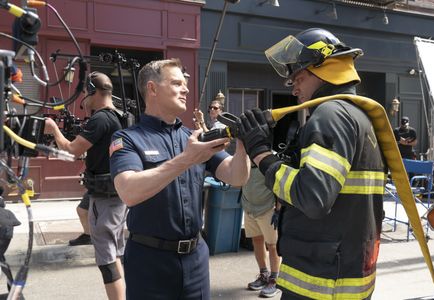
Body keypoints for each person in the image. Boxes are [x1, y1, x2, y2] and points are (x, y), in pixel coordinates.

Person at [236, 28, 387, 299]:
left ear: (324, 69)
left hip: (324, 280)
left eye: (299, 77)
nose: (294, 87)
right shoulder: (356, 115)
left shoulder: (330, 115)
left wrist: (259, 153)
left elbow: (312, 198)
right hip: (341, 270)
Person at [109, 58, 250, 299]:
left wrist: (245, 143)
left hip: (195, 258)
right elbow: (128, 192)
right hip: (149, 262)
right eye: (176, 83)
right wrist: (187, 158)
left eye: (184, 83)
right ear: (152, 88)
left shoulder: (195, 138)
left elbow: (236, 176)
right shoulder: (127, 138)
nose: (185, 89)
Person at [44, 71, 126, 300]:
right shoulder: (119, 116)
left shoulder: (100, 118)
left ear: (93, 91)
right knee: (116, 254)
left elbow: (71, 150)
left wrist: (54, 129)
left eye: (86, 94)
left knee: (107, 261)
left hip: (105, 198)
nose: (84, 101)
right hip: (115, 193)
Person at [243, 165, 281, 298]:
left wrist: (278, 210)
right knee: (257, 240)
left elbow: (279, 186)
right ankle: (264, 275)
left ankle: (274, 280)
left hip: (268, 209)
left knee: (273, 245)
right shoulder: (246, 159)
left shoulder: (269, 161)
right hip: (249, 207)